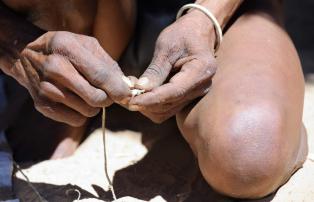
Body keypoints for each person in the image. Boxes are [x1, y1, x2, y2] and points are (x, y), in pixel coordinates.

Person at [0, 0, 308, 199]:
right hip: (57, 16)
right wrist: (18, 46)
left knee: (248, 154)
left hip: (212, 12)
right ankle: (66, 92)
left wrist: (205, 19)